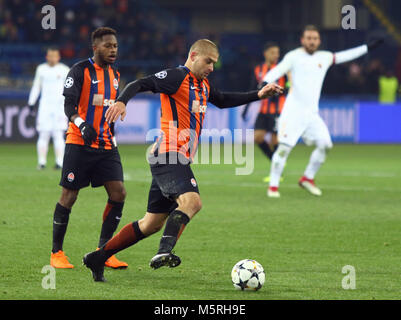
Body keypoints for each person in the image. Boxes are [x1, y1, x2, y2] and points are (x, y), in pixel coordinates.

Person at [83, 39, 283, 282]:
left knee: (151, 224)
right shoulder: (177, 77)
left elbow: (222, 99)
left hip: (175, 158)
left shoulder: (203, 85)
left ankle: (98, 257)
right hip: (169, 155)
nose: (211, 67)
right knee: (192, 202)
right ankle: (164, 251)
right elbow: (141, 82)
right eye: (208, 61)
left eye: (214, 64)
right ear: (194, 55)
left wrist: (258, 94)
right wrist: (122, 100)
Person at [262, 25, 383, 198]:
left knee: (326, 144)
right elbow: (278, 69)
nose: (312, 41)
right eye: (308, 38)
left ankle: (307, 178)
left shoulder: (324, 57)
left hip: (312, 115)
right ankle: (273, 187)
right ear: (302, 40)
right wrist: (264, 82)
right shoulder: (293, 56)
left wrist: (367, 48)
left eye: (315, 38)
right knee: (283, 149)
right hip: (292, 114)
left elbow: (344, 56)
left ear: (319, 41)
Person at [50, 27, 128, 270]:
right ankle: (57, 253)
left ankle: (104, 251)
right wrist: (82, 124)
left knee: (119, 193)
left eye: (115, 45)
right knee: (69, 196)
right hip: (79, 143)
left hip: (105, 145)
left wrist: (112, 135)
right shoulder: (80, 70)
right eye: (108, 46)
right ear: (95, 48)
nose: (113, 49)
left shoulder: (115, 75)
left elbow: (109, 110)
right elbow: (69, 104)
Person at [242, 42, 289, 181]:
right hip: (263, 110)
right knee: (258, 138)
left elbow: (289, 87)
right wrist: (246, 108)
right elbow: (253, 89)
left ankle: (276, 173)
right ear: (266, 54)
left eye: (278, 53)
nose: (276, 55)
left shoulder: (283, 69)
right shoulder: (258, 69)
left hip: (278, 110)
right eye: (273, 52)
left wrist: (279, 92)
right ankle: (277, 162)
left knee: (275, 141)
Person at [28, 47, 69, 170]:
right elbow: (36, 86)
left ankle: (59, 162)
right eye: (50, 56)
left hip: (59, 106)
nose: (52, 58)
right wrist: (31, 102)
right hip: (45, 106)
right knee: (43, 134)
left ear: (58, 57)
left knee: (58, 134)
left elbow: (69, 88)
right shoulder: (41, 69)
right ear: (47, 57)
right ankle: (41, 162)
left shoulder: (64, 70)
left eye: (54, 56)